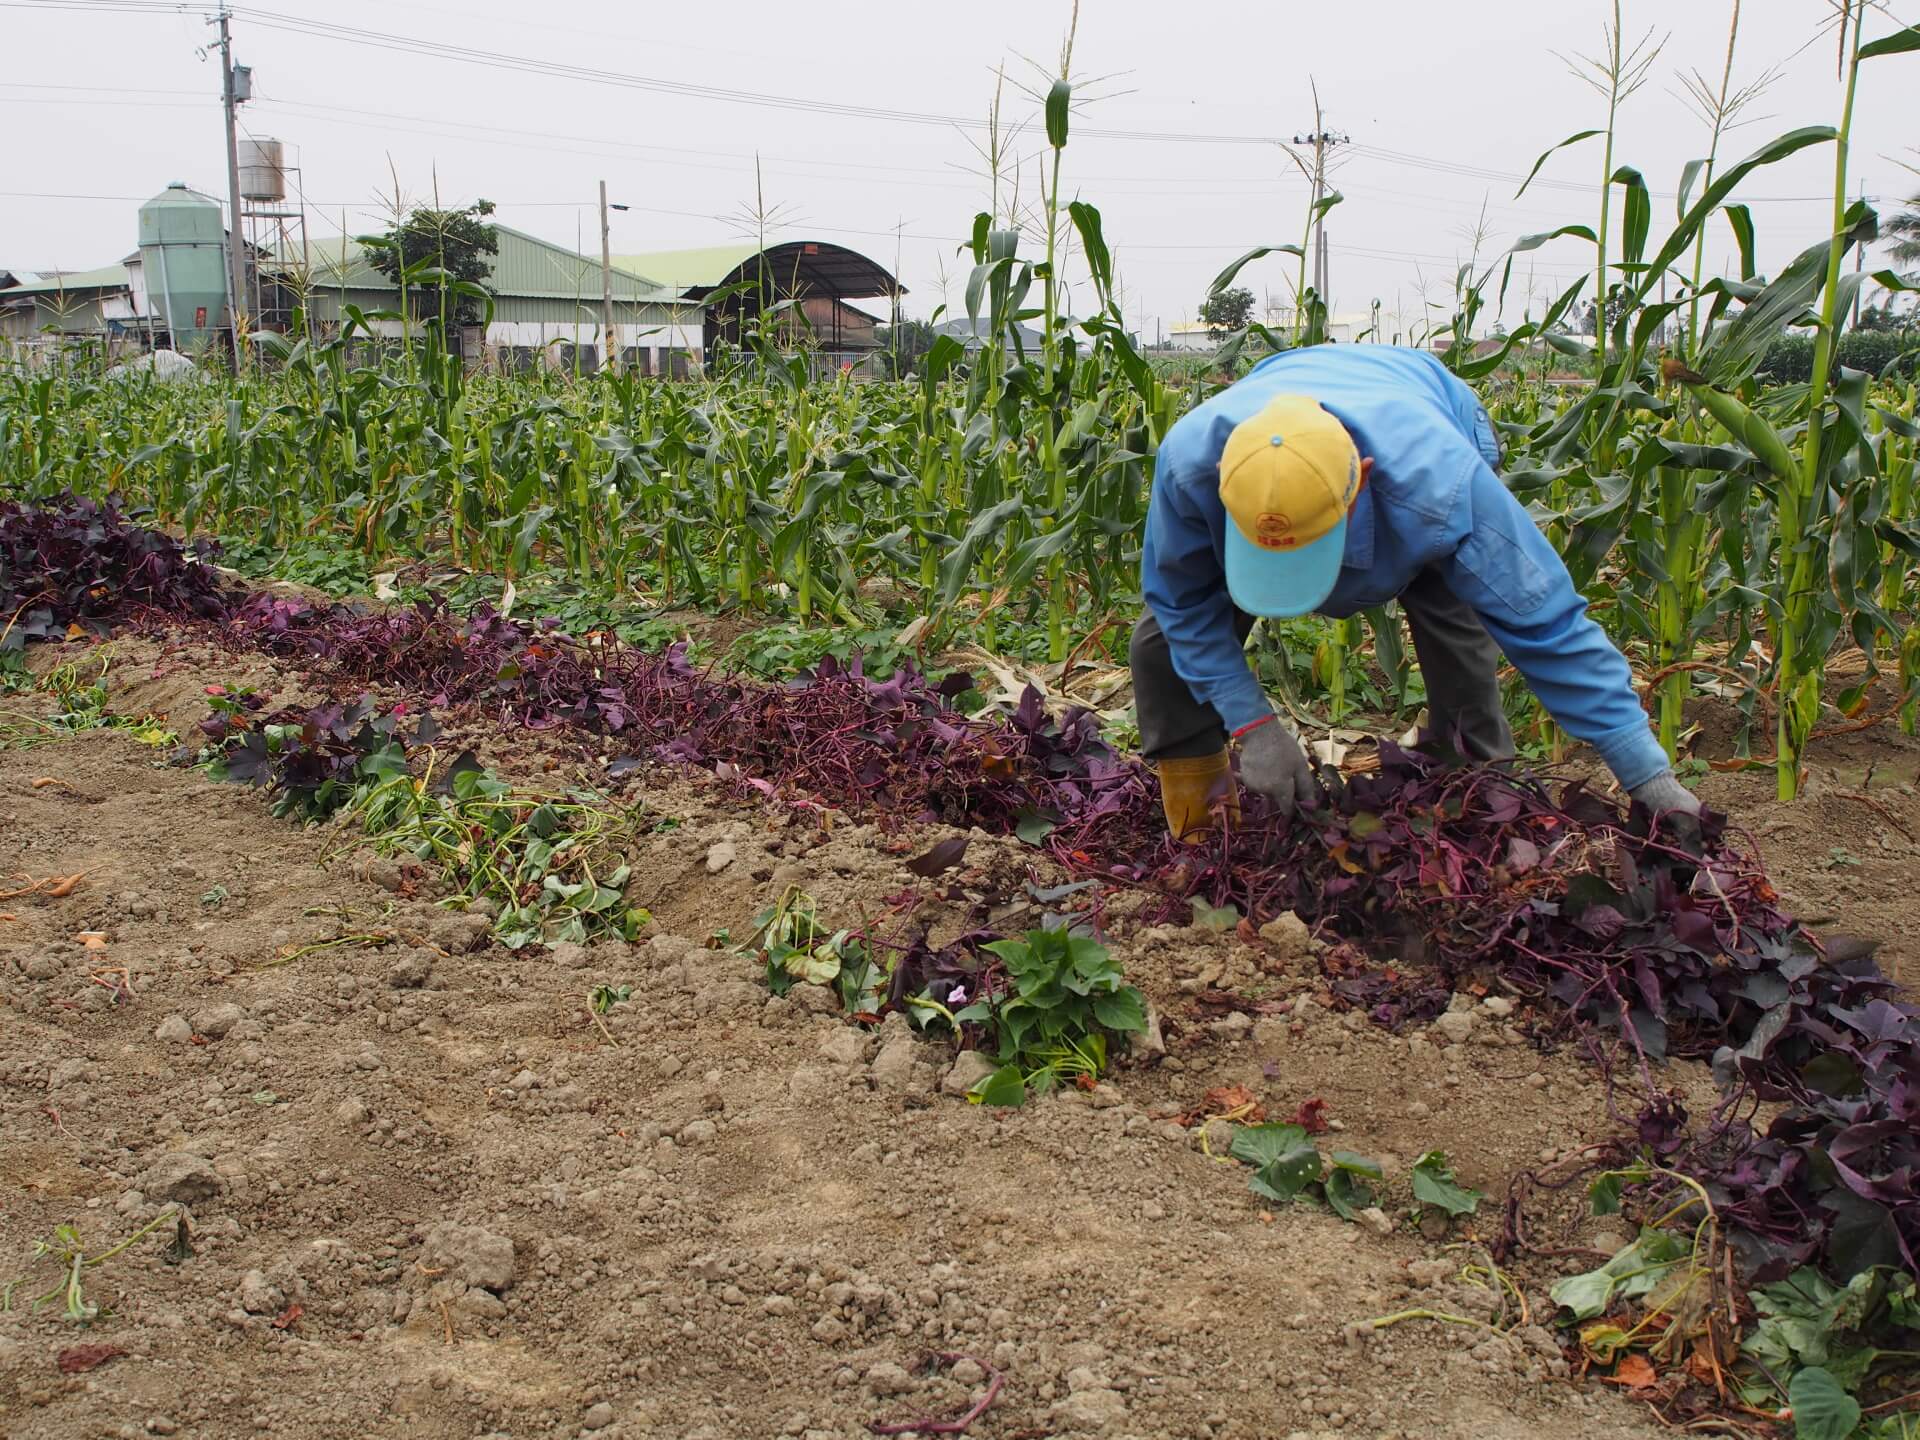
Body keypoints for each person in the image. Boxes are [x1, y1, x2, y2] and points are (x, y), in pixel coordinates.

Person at [1132, 343, 1700, 839]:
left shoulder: (1443, 490)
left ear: (1362, 481)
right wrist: (1252, 726)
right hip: (1294, 399)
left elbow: (1547, 621)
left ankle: (1476, 806)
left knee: (1455, 628)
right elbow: (1181, 603)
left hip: (1424, 407)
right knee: (1163, 646)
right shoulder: (1192, 467)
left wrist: (1650, 777)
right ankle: (1203, 827)